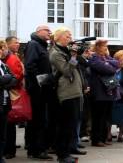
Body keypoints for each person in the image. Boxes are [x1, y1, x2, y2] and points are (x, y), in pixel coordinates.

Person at [49, 27, 86, 162]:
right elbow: (67, 71)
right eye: (67, 36)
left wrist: (77, 55)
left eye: (70, 36)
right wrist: (74, 56)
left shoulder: (65, 51)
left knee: (71, 125)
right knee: (65, 125)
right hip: (65, 93)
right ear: (58, 37)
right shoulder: (55, 53)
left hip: (74, 91)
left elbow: (80, 66)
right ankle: (62, 155)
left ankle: (67, 152)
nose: (70, 38)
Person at [24, 25, 54, 160]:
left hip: (42, 89)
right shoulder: (34, 45)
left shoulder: (41, 45)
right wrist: (42, 82)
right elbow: (30, 66)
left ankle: (35, 148)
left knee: (39, 120)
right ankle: (36, 150)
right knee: (38, 120)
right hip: (38, 90)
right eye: (47, 30)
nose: (50, 32)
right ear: (38, 31)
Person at [88, 40, 119, 147]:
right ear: (97, 47)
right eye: (103, 46)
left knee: (106, 117)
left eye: (106, 46)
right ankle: (96, 140)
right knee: (98, 117)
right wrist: (108, 65)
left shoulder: (106, 57)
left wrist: (107, 62)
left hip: (108, 91)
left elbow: (116, 64)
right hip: (98, 92)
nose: (106, 48)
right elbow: (107, 69)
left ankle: (103, 138)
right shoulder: (94, 58)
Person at [3, 36, 24, 160]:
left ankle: (9, 149)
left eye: (18, 43)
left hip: (11, 92)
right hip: (10, 91)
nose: (18, 45)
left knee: (9, 122)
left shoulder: (12, 58)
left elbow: (16, 76)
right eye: (15, 43)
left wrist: (6, 83)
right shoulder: (11, 58)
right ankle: (9, 148)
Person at [0, 41, 17, 163]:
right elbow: (6, 78)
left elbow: (14, 79)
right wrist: (5, 79)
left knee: (2, 134)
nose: (3, 51)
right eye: (2, 48)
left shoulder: (3, 65)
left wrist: (5, 81)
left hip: (5, 103)